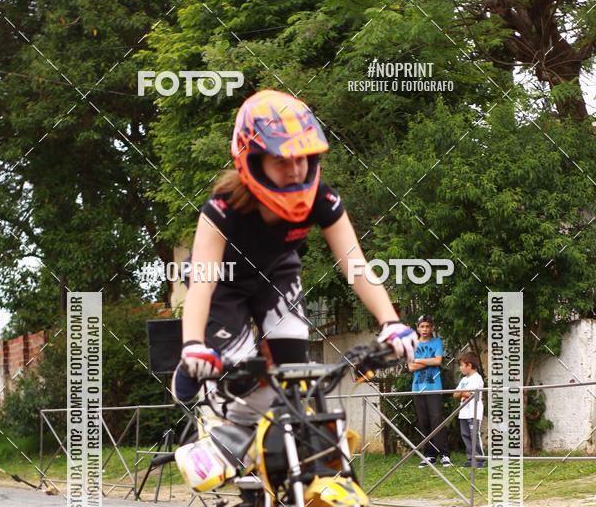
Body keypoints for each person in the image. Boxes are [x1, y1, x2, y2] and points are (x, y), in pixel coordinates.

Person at [172, 89, 417, 423]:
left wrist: (391, 323)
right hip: (223, 287)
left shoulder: (321, 197)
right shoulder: (221, 209)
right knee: (247, 383)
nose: (296, 169)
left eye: (302, 157)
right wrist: (193, 345)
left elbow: (356, 265)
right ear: (254, 159)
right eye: (282, 160)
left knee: (293, 377)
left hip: (276, 275)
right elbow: (201, 284)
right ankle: (212, 414)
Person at [408, 314, 452, 467]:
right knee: (423, 421)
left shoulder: (437, 342)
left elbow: (438, 361)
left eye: (427, 326)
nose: (425, 329)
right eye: (422, 326)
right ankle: (429, 455)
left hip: (434, 387)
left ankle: (444, 454)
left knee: (437, 420)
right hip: (417, 388)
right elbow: (410, 367)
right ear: (417, 327)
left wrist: (418, 360)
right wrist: (429, 361)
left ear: (431, 328)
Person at [453, 351, 485, 467]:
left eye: (462, 365)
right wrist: (462, 392)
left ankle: (479, 460)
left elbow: (471, 394)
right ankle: (471, 459)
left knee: (474, 435)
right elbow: (455, 395)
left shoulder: (477, 378)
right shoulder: (463, 380)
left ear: (469, 365)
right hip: (463, 412)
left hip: (474, 412)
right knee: (465, 435)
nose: (460, 368)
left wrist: (462, 392)